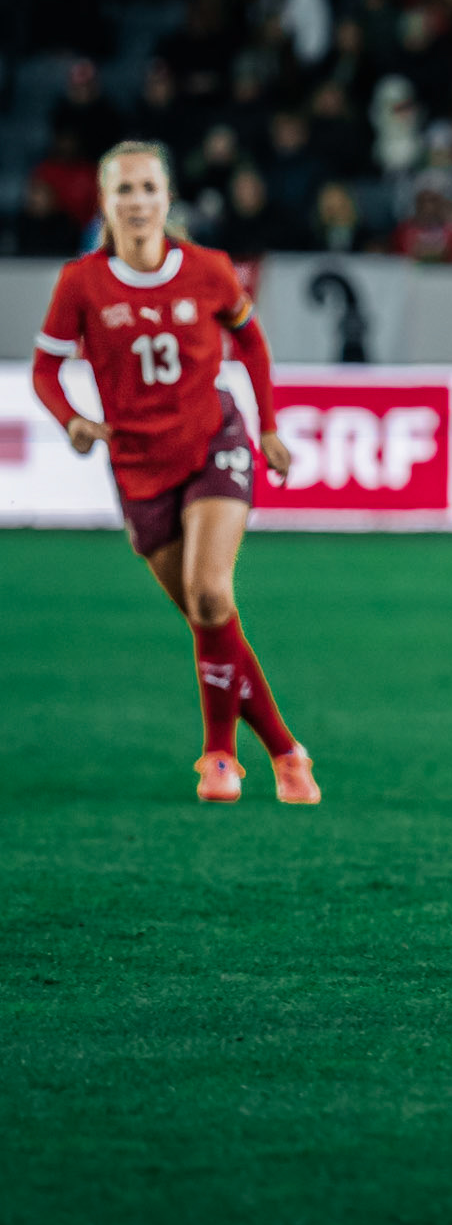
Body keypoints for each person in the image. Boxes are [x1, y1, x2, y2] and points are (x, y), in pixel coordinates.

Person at [30, 141, 320, 806]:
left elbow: (249, 339)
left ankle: (219, 757)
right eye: (124, 190)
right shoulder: (82, 283)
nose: (137, 202)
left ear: (168, 199)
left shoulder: (209, 270)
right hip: (138, 466)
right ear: (106, 202)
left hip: (213, 441)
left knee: (211, 593)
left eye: (148, 189)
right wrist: (73, 420)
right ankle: (285, 749)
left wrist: (267, 426)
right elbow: (45, 370)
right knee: (208, 619)